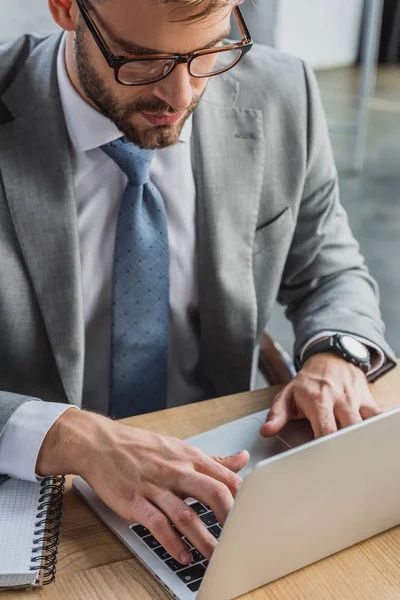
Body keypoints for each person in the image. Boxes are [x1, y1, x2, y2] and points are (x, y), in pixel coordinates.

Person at [0, 0, 396, 567]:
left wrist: (337, 354)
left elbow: (328, 269)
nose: (182, 97)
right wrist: (68, 436)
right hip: (37, 501)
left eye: (209, 51)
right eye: (140, 60)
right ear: (65, 8)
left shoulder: (281, 93)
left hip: (216, 477)